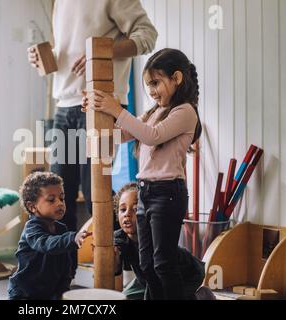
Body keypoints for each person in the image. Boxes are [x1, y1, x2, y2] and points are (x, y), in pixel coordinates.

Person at [27, 0, 158, 232]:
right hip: (65, 105)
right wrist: (46, 58)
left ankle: (124, 260)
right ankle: (63, 268)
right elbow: (71, 53)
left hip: (100, 103)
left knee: (94, 194)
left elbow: (147, 36)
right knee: (58, 198)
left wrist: (101, 52)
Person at [82, 48, 202, 299]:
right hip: (146, 192)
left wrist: (116, 109)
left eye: (156, 83)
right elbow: (123, 134)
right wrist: (97, 112)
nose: (151, 91)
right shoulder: (153, 112)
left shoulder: (185, 111)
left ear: (177, 78)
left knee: (163, 263)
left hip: (167, 194)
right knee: (147, 264)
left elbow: (151, 135)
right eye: (148, 85)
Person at [113, 183, 206, 300]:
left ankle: (201, 295)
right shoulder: (120, 237)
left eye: (135, 209)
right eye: (122, 209)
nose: (127, 214)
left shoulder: (153, 237)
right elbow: (114, 264)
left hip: (188, 275)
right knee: (124, 298)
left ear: (145, 214)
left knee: (169, 295)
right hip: (146, 280)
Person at [8, 171, 91, 300]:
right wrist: (72, 237)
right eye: (51, 200)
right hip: (24, 294)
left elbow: (65, 267)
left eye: (62, 198)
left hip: (48, 293)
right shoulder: (32, 228)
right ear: (32, 206)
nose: (59, 203)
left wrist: (62, 292)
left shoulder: (62, 229)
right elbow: (46, 243)